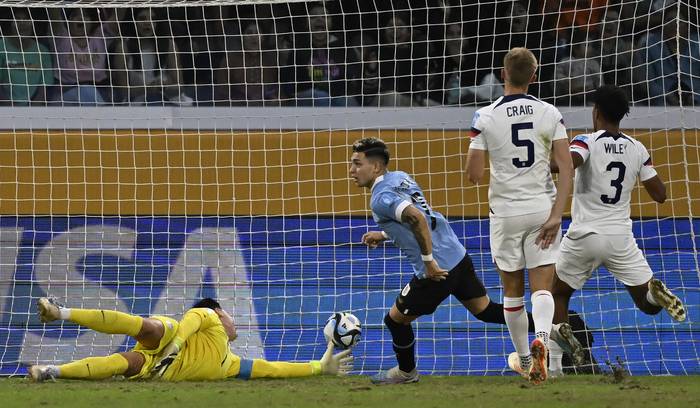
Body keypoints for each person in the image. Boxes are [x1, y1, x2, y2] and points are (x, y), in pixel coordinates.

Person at [349, 137, 579, 385]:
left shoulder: (380, 197)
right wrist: (384, 234)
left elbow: (417, 219)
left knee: (394, 320)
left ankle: (406, 373)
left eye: (356, 164)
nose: (351, 170)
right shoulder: (400, 177)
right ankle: (553, 329)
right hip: (457, 256)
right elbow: (423, 216)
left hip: (436, 271)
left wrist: (428, 261)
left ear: (376, 167)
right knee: (485, 310)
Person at [549, 85, 686, 373]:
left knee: (556, 293)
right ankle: (656, 292)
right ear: (622, 116)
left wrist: (551, 157)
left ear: (596, 111)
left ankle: (560, 347)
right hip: (620, 238)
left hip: (585, 235)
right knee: (648, 306)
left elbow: (566, 164)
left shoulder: (586, 142)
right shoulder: (637, 148)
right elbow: (660, 194)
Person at [465, 47, 574, 384]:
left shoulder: (485, 116)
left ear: (502, 74)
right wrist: (558, 214)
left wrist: (480, 149)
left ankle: (527, 358)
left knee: (512, 291)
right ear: (534, 76)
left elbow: (474, 174)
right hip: (542, 209)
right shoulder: (550, 113)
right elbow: (567, 168)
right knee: (543, 285)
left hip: (506, 213)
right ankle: (542, 335)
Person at [28, 297, 352, 382]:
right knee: (147, 328)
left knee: (123, 363)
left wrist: (318, 367)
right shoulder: (210, 320)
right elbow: (194, 318)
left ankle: (51, 371)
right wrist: (176, 346)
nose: (231, 321)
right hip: (169, 340)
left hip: (161, 369)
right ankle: (62, 313)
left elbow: (273, 369)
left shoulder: (231, 364)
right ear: (220, 312)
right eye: (227, 315)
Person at [0, 8, 54, 106]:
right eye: (17, 19)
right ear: (10, 23)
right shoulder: (1, 46)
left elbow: (43, 89)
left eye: (26, 19)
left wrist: (31, 111)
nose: (22, 23)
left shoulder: (43, 52)